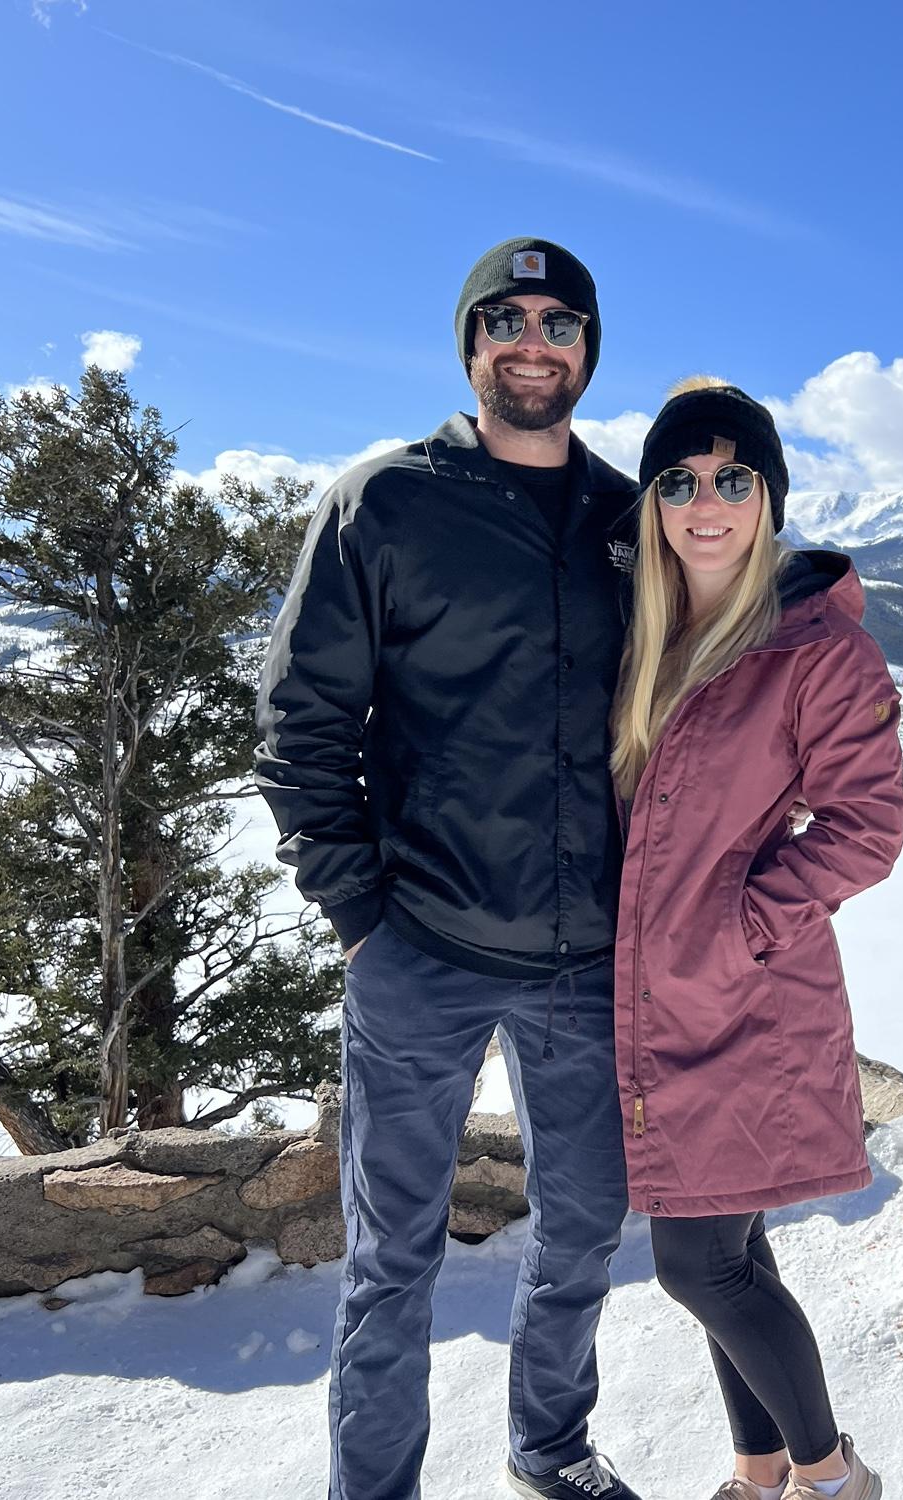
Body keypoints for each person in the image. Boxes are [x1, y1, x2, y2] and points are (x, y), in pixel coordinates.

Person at [254, 238, 646, 1500]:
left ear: (588, 348)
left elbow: (715, 646)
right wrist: (360, 913)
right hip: (419, 944)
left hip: (587, 954)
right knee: (393, 1255)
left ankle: (549, 1446)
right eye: (506, 318)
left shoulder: (624, 518)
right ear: (469, 342)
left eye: (559, 322)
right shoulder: (386, 503)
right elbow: (303, 720)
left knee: (584, 1229)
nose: (534, 341)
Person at [609, 378, 903, 1500]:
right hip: (659, 993)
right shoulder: (648, 626)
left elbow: (867, 826)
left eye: (736, 479)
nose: (707, 502)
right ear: (653, 500)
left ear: (769, 499)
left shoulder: (814, 647)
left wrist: (742, 924)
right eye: (680, 480)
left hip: (745, 999)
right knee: (727, 1250)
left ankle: (833, 1478)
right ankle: (757, 1469)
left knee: (695, 1263)